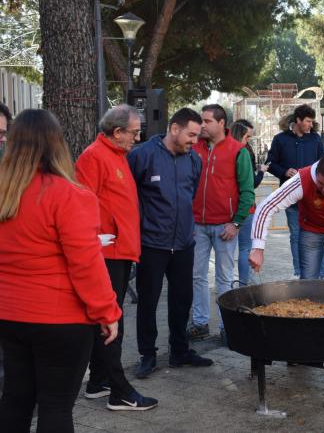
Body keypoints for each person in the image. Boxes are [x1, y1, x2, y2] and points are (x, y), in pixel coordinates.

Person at [0, 109, 121, 432]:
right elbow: (86, 264)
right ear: (57, 144)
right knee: (55, 406)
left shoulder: (5, 195)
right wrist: (107, 312)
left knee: (15, 400)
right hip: (60, 318)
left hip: (10, 315)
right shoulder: (70, 195)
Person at [76, 105, 157, 410]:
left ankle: (98, 380)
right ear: (117, 131)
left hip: (120, 249)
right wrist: (94, 238)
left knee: (112, 317)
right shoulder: (94, 156)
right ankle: (119, 391)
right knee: (111, 321)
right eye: (134, 132)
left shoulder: (117, 155)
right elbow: (82, 201)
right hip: (106, 251)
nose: (137, 137)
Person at [128, 108, 213, 379]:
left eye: (197, 136)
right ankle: (147, 355)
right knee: (148, 301)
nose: (194, 141)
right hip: (152, 243)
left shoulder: (194, 161)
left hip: (184, 244)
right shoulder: (142, 156)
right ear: (174, 129)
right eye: (190, 135)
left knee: (181, 300)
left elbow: (190, 193)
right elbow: (128, 195)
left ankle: (179, 351)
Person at [187, 105, 254, 342]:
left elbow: (247, 191)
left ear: (221, 123)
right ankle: (200, 322)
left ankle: (228, 326)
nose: (202, 125)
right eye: (201, 121)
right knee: (197, 276)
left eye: (207, 121)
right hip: (197, 224)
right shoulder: (194, 149)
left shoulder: (239, 151)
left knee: (224, 278)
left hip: (226, 226)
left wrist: (236, 223)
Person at [266, 104, 324, 279]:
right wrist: (284, 171)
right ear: (298, 120)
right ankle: (300, 272)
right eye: (308, 121)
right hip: (290, 197)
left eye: (311, 121)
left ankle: (322, 274)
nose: (310, 124)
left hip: (314, 196)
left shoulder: (315, 139)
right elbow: (270, 163)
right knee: (296, 234)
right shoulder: (280, 139)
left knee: (318, 234)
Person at [231, 119, 268, 287]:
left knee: (227, 252)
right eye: (247, 137)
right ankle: (243, 284)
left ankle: (226, 284)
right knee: (245, 248)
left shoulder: (222, 152)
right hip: (245, 207)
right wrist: (261, 173)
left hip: (227, 208)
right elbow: (251, 183)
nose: (248, 141)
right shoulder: (244, 152)